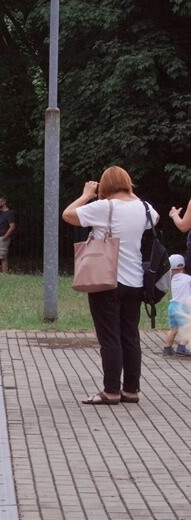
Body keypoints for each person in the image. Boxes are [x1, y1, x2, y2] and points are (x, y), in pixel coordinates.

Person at [62, 165, 160, 405]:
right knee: (130, 336)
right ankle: (131, 390)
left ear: (104, 186)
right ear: (128, 183)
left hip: (105, 280)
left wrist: (86, 194)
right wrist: (131, 193)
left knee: (109, 337)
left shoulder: (103, 207)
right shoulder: (145, 208)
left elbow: (68, 214)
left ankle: (111, 391)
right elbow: (154, 220)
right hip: (136, 282)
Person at [163, 254, 191, 357]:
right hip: (183, 307)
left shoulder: (173, 279)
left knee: (173, 330)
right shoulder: (187, 278)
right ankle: (182, 347)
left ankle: (167, 349)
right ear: (183, 265)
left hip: (172, 306)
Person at [0, 195, 16, 273]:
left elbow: (12, 226)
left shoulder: (9, 213)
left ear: (4, 202)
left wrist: (5, 236)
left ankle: (5, 275)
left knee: (3, 257)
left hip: (2, 237)